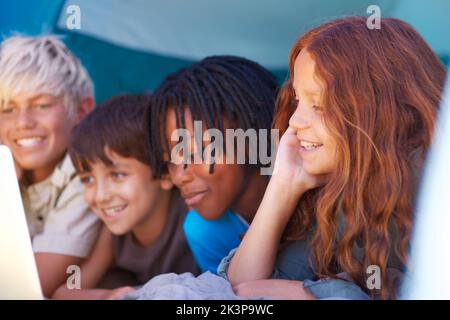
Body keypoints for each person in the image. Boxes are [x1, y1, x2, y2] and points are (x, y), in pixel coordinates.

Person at [224, 17, 447, 299]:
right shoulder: (338, 189)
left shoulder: (436, 186)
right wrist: (283, 186)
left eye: (318, 105)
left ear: (378, 108)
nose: (294, 121)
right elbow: (240, 287)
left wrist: (315, 294)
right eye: (297, 101)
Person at [53, 94, 199, 299]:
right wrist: (108, 296)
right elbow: (67, 290)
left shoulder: (194, 218)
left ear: (165, 173)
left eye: (118, 175)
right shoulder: (112, 234)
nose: (101, 196)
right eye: (88, 180)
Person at [147, 55, 279, 273]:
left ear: (251, 136)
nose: (179, 176)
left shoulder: (326, 204)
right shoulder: (204, 232)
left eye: (196, 151)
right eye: (170, 160)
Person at [0, 35, 100, 298]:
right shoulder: (7, 170)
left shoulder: (89, 174)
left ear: (82, 110)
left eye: (41, 105)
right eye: (7, 109)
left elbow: (22, 289)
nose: (23, 122)